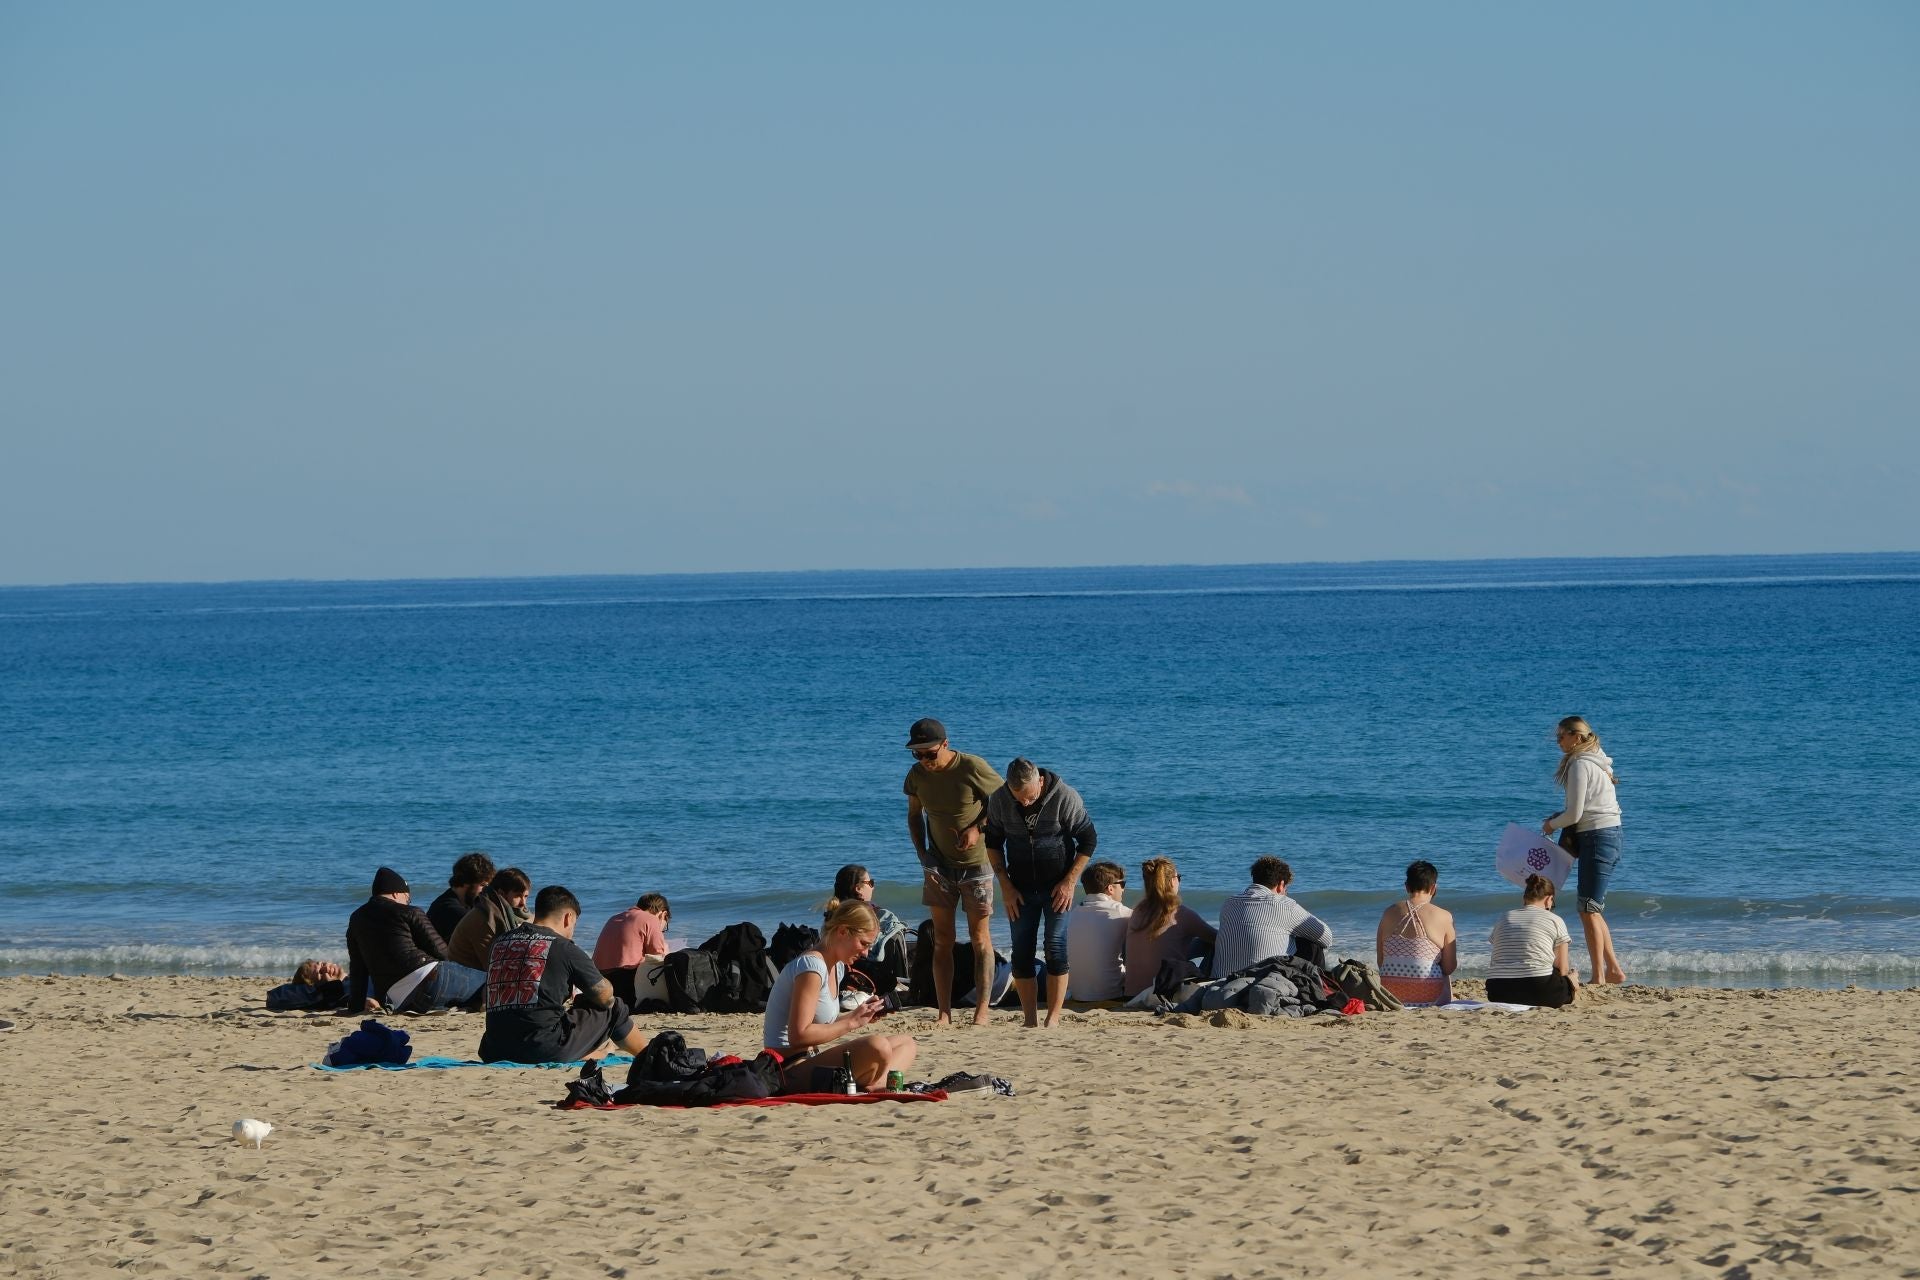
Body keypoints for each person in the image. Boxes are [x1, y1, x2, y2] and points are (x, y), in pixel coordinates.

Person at [902, 717, 1005, 1025]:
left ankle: (982, 1012)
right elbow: (913, 816)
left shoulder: (971, 766)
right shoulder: (917, 775)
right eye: (916, 754)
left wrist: (977, 828)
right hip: (939, 866)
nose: (924, 761)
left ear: (945, 745)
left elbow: (1003, 804)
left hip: (977, 864)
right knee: (942, 939)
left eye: (929, 754)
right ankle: (943, 1013)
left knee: (979, 938)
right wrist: (923, 855)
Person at [479, 885, 649, 1064]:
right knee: (615, 1007)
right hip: (541, 1047)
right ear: (568, 918)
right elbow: (605, 997)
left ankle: (594, 1053)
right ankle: (647, 1055)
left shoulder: (500, 943)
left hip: (493, 1049)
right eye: (574, 924)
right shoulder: (563, 947)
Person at [985, 757, 1098, 1028]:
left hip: (1058, 886)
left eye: (1030, 796)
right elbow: (993, 843)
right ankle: (1030, 1020)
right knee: (1021, 954)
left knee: (1055, 948)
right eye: (1019, 798)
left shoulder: (1064, 796)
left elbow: (1088, 839)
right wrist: (1006, 886)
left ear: (1040, 781)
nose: (1025, 803)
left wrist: (1070, 881)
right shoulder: (999, 799)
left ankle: (1053, 1018)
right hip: (1019, 888)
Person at [763, 899, 917, 1091]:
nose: (866, 953)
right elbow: (798, 1036)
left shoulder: (837, 967)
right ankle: (877, 1083)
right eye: (863, 943)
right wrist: (851, 1022)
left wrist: (861, 1015)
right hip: (788, 1070)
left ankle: (875, 1084)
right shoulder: (811, 967)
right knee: (877, 1046)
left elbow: (822, 1022)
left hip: (810, 1060)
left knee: (906, 1043)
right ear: (843, 931)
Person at [1542, 715, 1626, 985]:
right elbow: (1584, 808)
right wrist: (1562, 817)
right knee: (1592, 907)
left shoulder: (1580, 763)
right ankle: (1612, 970)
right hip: (1605, 835)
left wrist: (1551, 824)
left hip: (1598, 837)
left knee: (1588, 908)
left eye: (1561, 735)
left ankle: (1600, 975)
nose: (1558, 741)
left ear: (1576, 737)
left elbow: (1576, 813)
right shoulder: (1596, 760)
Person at [344, 866, 487, 1014]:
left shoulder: (356, 919)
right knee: (487, 980)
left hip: (397, 999)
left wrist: (355, 1008)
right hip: (428, 979)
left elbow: (358, 970)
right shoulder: (410, 912)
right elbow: (442, 952)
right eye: (407, 898)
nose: (407, 903)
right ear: (395, 893)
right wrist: (466, 969)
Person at [1211, 856, 1333, 977]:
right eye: (1286, 889)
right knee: (1312, 945)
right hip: (1264, 984)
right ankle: (1317, 992)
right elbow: (1326, 937)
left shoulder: (1229, 903)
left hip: (1221, 982)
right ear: (1281, 884)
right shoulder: (1285, 905)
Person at [1124, 857, 1216, 998]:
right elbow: (1219, 938)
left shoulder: (1136, 912)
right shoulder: (1181, 914)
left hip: (1131, 995)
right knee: (1208, 944)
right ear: (1173, 881)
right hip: (1162, 994)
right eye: (1178, 877)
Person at [1485, 874, 1580, 1008]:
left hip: (1498, 991)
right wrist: (1571, 979)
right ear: (1549, 899)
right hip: (1539, 989)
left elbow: (1500, 953)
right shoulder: (1554, 920)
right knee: (1568, 978)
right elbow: (1562, 967)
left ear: (1525, 898)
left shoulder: (1504, 918)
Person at [1375, 860, 1457, 1005]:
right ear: (1433, 888)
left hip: (1390, 995)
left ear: (1407, 886)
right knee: (1443, 972)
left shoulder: (1388, 912)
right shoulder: (1444, 916)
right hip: (1429, 996)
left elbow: (1381, 962)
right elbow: (1449, 967)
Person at [1064, 860, 1129, 1001]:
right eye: (1122, 884)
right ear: (1110, 888)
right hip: (1111, 993)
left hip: (1077, 993)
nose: (1123, 889)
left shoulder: (1073, 913)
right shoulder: (1122, 912)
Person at [592, 892, 673, 1005]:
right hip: (624, 981)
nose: (662, 931)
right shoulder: (651, 919)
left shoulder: (614, 918)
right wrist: (666, 950)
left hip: (599, 981)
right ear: (663, 914)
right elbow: (656, 958)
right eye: (664, 927)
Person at [447, 866, 532, 971]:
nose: (523, 903)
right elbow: (492, 966)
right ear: (501, 893)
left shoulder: (518, 915)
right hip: (465, 977)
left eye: (526, 896)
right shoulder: (484, 918)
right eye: (518, 896)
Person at [828, 864, 904, 958]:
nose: (873, 887)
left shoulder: (833, 914)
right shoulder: (870, 915)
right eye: (870, 883)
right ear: (858, 888)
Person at [425, 851, 496, 942]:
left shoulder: (463, 901)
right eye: (483, 885)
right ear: (466, 882)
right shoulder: (449, 909)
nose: (486, 891)